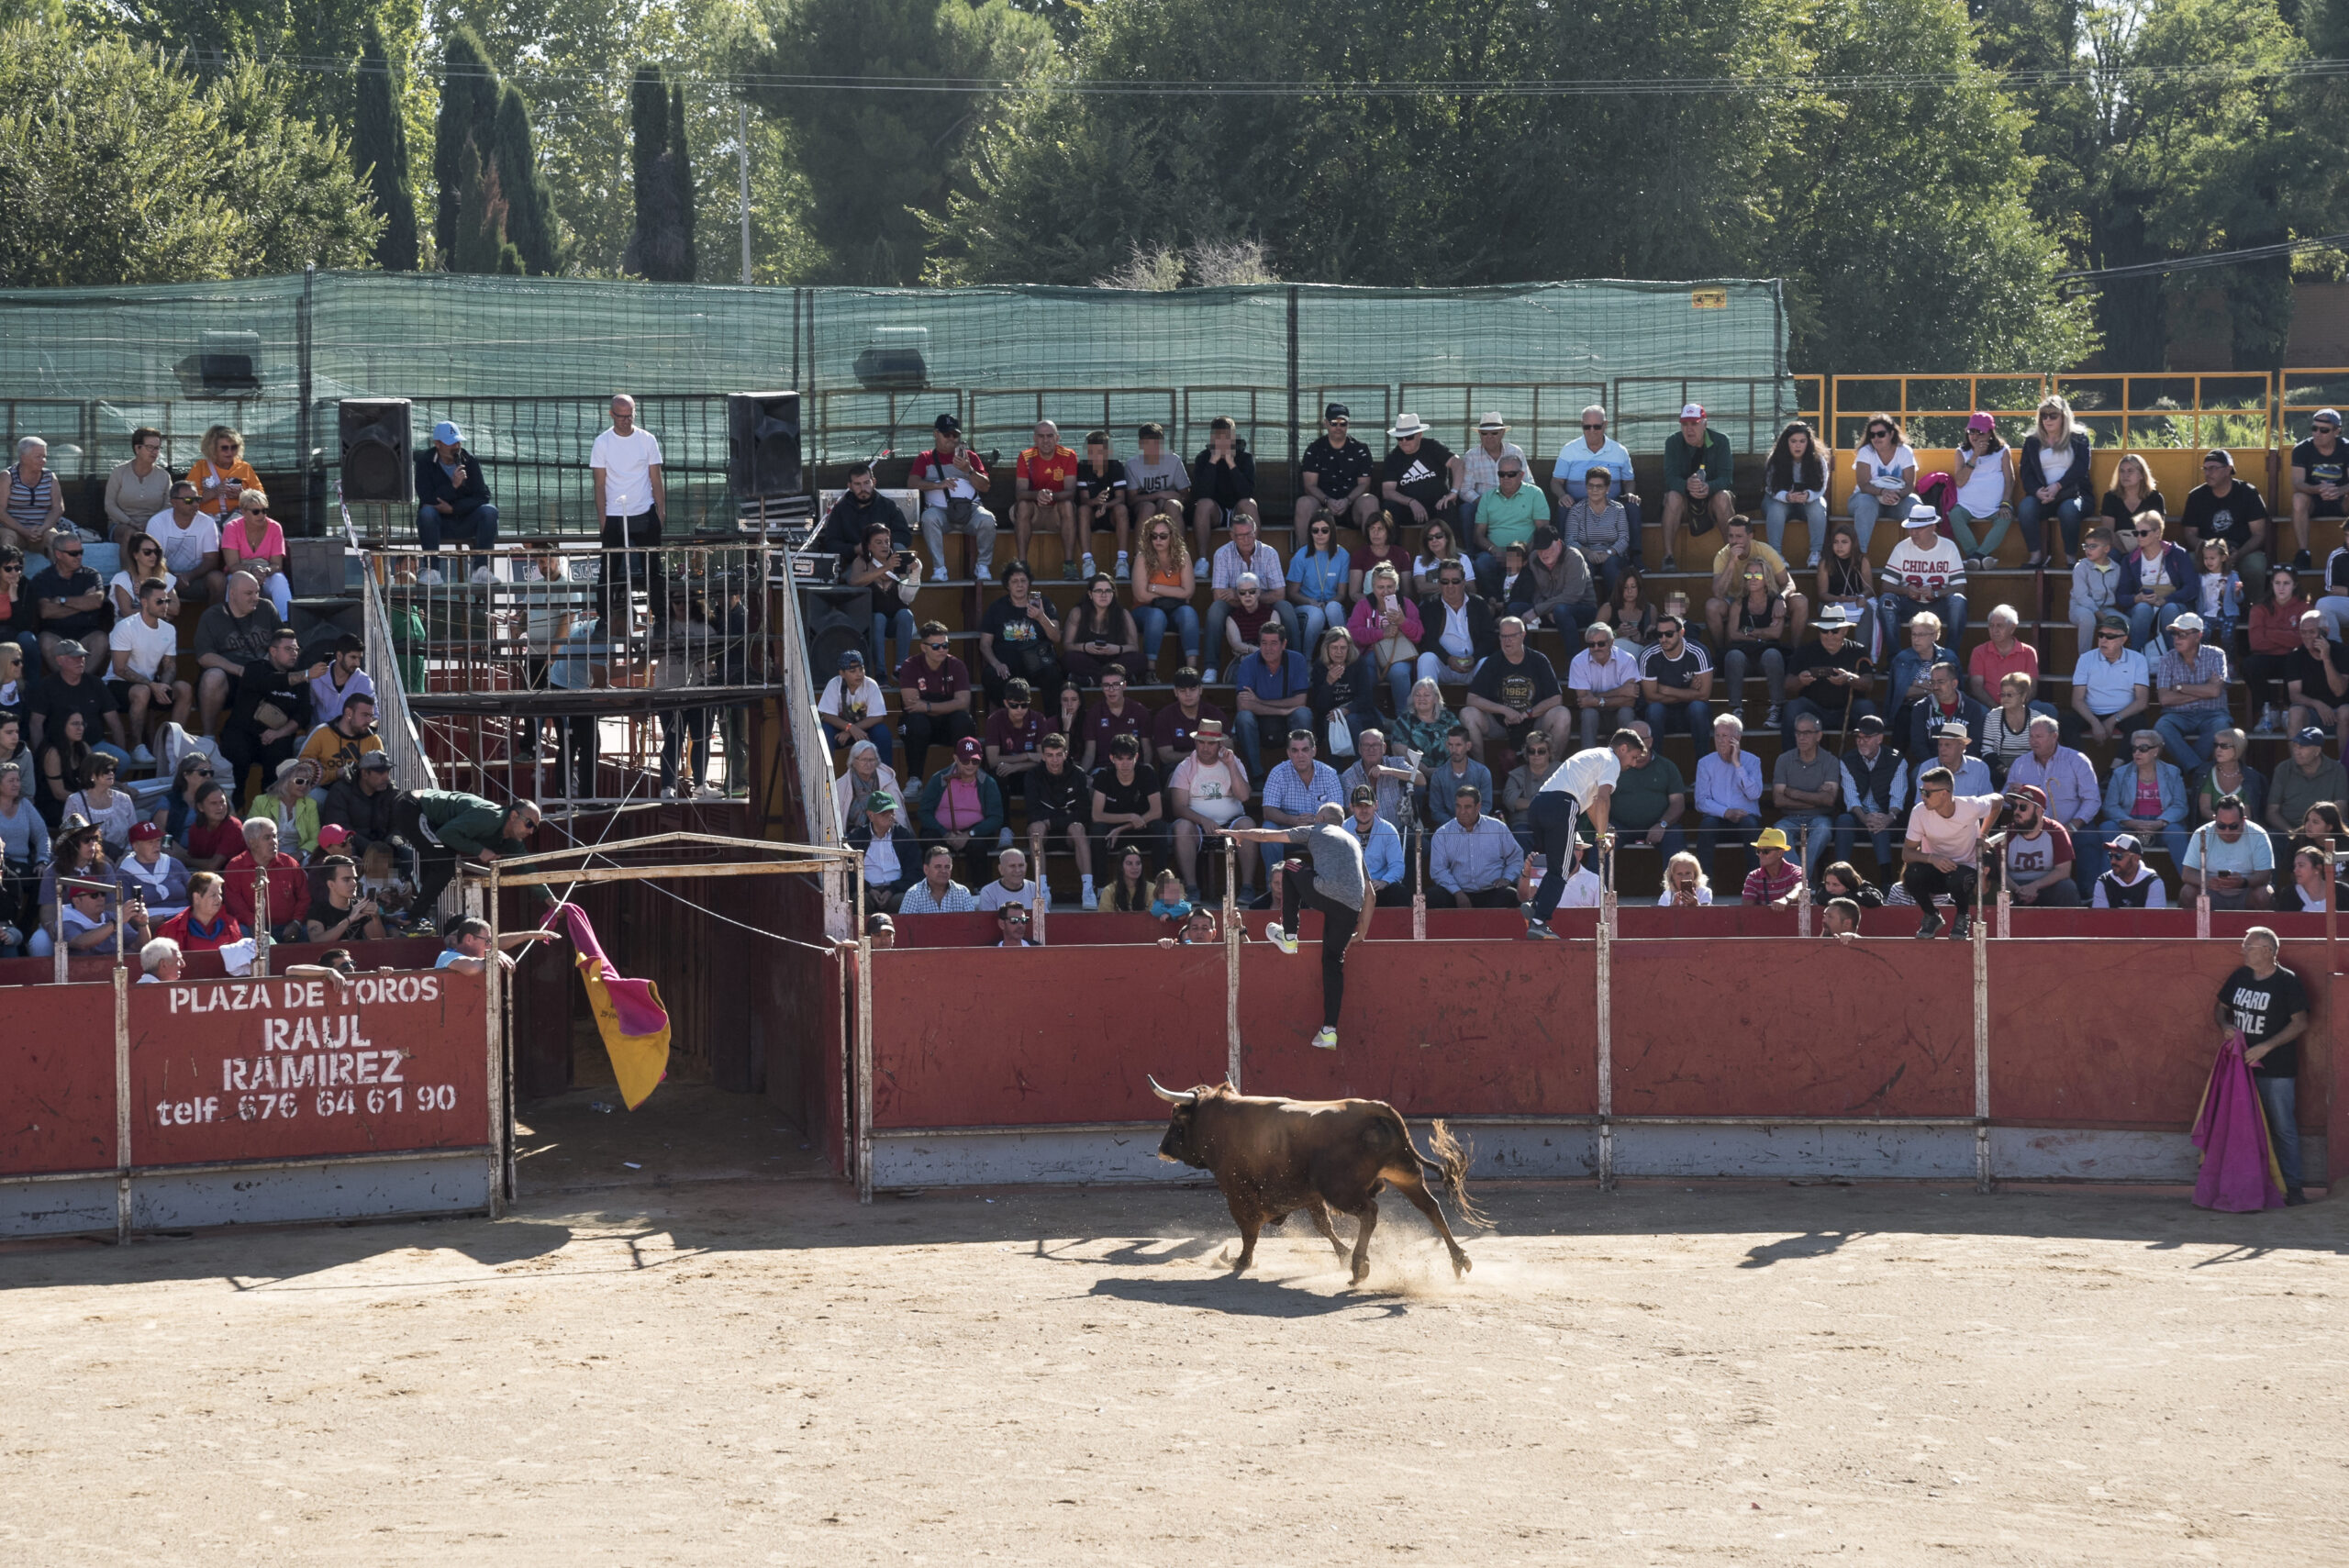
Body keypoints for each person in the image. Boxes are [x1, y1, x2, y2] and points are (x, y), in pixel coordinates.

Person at [1223, 803, 1371, 1050]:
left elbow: (1267, 836)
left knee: (1289, 865)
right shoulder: (1353, 842)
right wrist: (1362, 932)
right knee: (1333, 962)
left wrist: (1239, 834)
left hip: (1327, 892)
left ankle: (1289, 937)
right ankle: (1329, 1030)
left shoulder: (1316, 829)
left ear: (1321, 817)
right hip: (1351, 907)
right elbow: (1371, 893)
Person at [2216, 927, 2310, 1204]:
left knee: (2282, 1128)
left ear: (2267, 951)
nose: (2243, 950)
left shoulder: (2287, 981)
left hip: (2277, 1069)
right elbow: (2221, 1007)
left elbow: (2301, 1022)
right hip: (2240, 1068)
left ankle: (2293, 1189)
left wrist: (2266, 1046)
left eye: (2249, 946)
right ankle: (2251, 1186)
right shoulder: (2240, 976)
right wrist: (2225, 1025)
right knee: (2242, 1128)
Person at [1522, 728, 1639, 935]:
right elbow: (1603, 799)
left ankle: (1535, 905)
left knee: (1556, 866)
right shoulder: (1611, 761)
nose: (1633, 763)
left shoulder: (1592, 756)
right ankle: (1539, 922)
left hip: (1538, 805)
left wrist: (1602, 832)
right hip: (1562, 806)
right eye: (1633, 757)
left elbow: (1593, 804)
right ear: (1622, 748)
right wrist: (1602, 837)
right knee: (1563, 870)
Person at [1902, 765, 2004, 940]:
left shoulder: (1970, 806)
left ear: (1944, 793)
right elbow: (1907, 854)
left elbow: (1999, 800)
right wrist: (1932, 858)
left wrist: (1984, 834)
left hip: (1964, 870)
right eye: (1921, 791)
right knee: (1911, 874)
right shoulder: (1919, 811)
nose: (1922, 797)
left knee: (1957, 878)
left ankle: (1962, 916)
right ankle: (1931, 915)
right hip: (1934, 870)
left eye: (1927, 792)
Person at [589, 394, 664, 626]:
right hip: (614, 514)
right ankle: (603, 619)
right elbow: (599, 485)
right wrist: (603, 520)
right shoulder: (602, 442)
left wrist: (660, 513)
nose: (626, 420)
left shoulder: (647, 439)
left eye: (629, 416)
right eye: (621, 416)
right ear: (612, 415)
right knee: (608, 570)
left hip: (644, 511)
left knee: (653, 570)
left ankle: (660, 618)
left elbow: (656, 479)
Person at [2004, 716, 2102, 887]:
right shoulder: (2020, 764)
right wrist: (2011, 795)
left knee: (2088, 839)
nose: (2033, 741)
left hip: (2072, 826)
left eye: (2039, 737)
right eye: (2031, 736)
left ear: (2054, 736)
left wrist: (2072, 827)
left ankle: (2090, 897)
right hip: (2032, 828)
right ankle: (2019, 891)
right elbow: (2004, 799)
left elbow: (2092, 799)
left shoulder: (2077, 760)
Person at [1168, 718, 1257, 901]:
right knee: (1181, 826)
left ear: (1220, 744)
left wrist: (1231, 765)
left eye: (1211, 743)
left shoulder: (1233, 762)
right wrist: (1203, 820)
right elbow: (1178, 807)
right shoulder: (1185, 766)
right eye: (1201, 742)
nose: (1205, 748)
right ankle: (1191, 888)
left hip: (1232, 822)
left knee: (1249, 825)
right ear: (1195, 742)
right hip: (1198, 826)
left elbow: (1244, 796)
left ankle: (1247, 887)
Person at [1202, 512, 1297, 678]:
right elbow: (1218, 595)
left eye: (1249, 534)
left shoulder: (1270, 553)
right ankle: (1211, 668)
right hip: (1234, 607)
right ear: (1232, 536)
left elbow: (1280, 594)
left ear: (1255, 531)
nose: (1246, 539)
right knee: (1215, 609)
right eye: (1240, 536)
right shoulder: (1222, 554)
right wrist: (1247, 597)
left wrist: (1247, 596)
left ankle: (1296, 662)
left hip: (1263, 604)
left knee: (1286, 608)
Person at [192, 570, 282, 737]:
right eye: (248, 593)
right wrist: (239, 670)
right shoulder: (212, 616)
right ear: (232, 594)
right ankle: (209, 736)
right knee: (212, 677)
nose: (255, 597)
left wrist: (269, 662)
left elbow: (282, 641)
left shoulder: (266, 608)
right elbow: (204, 656)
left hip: (263, 674)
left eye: (257, 592)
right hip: (231, 678)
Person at [909, 413, 996, 584]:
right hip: (940, 512)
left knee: (987, 519)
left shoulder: (970, 456)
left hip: (970, 509)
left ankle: (983, 566)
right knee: (928, 518)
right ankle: (939, 569)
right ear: (936, 434)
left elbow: (985, 486)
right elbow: (912, 483)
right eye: (946, 434)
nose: (951, 438)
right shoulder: (925, 457)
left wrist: (968, 470)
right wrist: (938, 485)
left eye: (955, 435)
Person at [106, 576, 188, 753]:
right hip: (117, 685)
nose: (165, 605)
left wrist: (163, 686)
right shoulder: (125, 627)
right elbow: (119, 669)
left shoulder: (169, 629)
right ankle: (137, 746)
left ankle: (173, 746)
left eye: (167, 600)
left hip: (151, 684)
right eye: (159, 601)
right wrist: (152, 686)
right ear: (144, 602)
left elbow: (170, 666)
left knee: (184, 689)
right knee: (142, 691)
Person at [413, 419, 500, 581]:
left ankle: (481, 569)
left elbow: (483, 496)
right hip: (439, 524)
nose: (456, 447)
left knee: (489, 511)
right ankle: (432, 569)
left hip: (466, 520)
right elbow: (427, 498)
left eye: (458, 442)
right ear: (438, 444)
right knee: (427, 513)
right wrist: (453, 486)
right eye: (451, 443)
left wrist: (454, 509)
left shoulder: (469, 460)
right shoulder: (425, 462)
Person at [1706, 512, 1806, 652]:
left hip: (1767, 598)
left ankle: (1795, 653)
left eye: (1739, 536)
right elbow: (1718, 593)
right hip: (1737, 599)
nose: (1734, 541)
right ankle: (1721, 654)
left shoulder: (1765, 551)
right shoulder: (1722, 556)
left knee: (1800, 601)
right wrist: (1731, 562)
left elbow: (1789, 583)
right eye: (1731, 536)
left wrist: (1780, 598)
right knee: (1712, 606)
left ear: (1750, 536)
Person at [1780, 605, 1874, 750]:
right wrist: (1800, 681)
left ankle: (1870, 761)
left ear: (1845, 630)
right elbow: (1788, 685)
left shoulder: (1858, 651)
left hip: (1848, 710)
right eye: (1824, 630)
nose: (1829, 635)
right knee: (1793, 708)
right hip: (1814, 710)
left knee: (1867, 708)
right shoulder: (1806, 650)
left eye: (1834, 631)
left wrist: (1849, 678)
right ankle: (1791, 762)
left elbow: (1869, 683)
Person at [918, 736, 1008, 886]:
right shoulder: (939, 778)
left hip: (974, 832)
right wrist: (945, 833)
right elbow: (924, 812)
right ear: (955, 758)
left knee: (978, 846)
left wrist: (969, 834)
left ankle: (980, 890)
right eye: (965, 761)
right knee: (930, 843)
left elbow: (996, 817)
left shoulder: (987, 782)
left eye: (975, 761)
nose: (970, 765)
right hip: (941, 832)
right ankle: (929, 888)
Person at [1230, 619, 1312, 781]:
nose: (1268, 649)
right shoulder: (1248, 663)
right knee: (1243, 718)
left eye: (1274, 643)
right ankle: (1256, 774)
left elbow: (1301, 700)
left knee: (1303, 714)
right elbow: (1244, 704)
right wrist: (1282, 709)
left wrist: (1259, 701)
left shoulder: (1297, 660)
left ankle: (1298, 773)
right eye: (1264, 643)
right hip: (1259, 722)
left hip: (1287, 721)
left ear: (1284, 644)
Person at [2018, 395, 2093, 567]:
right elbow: (2026, 473)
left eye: (2053, 415)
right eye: (2044, 415)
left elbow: (2082, 468)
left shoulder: (2079, 437)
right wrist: (2037, 491)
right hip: (2043, 496)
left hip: (2074, 493)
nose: (2047, 419)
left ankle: (2071, 559)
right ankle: (2036, 557)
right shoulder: (2032, 441)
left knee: (2069, 510)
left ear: (2064, 417)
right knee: (2025, 508)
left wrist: (2058, 486)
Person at [2180, 449, 2271, 591]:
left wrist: (2238, 554)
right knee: (2188, 561)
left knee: (2255, 566)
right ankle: (2192, 607)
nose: (2208, 473)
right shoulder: (2196, 496)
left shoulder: (2248, 492)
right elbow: (2189, 534)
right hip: (2207, 552)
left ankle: (2254, 608)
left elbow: (2259, 534)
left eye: (2213, 468)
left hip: (2243, 552)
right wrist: (2208, 551)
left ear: (2228, 470)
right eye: (2205, 469)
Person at [2099, 728, 2191, 869]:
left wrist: (2159, 823)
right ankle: (2107, 882)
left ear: (2155, 751)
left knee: (2176, 832)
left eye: (2143, 748)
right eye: (2134, 748)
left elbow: (2180, 805)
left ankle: (2191, 882)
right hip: (2129, 829)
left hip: (2161, 828)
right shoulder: (2120, 773)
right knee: (2107, 827)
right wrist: (2131, 823)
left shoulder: (2172, 772)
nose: (2137, 753)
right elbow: (2110, 806)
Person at [1717, 559, 1792, 730]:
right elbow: (1732, 634)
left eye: (1758, 574)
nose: (1752, 578)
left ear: (1766, 579)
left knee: (1773, 655)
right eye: (1748, 574)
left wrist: (1748, 631)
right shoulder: (1738, 603)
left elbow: (1776, 633)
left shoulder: (1776, 603)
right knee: (1733, 656)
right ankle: (1736, 710)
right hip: (1744, 657)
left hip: (1767, 657)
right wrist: (1761, 635)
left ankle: (1776, 708)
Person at [1879, 501, 1968, 645]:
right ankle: (1893, 660)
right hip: (1909, 604)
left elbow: (1960, 587)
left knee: (1958, 601)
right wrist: (1905, 590)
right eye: (1911, 528)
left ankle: (1951, 658)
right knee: (1886, 601)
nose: (1913, 533)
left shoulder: (1948, 547)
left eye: (1918, 528)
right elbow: (1885, 587)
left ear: (1933, 527)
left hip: (1939, 604)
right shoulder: (1902, 547)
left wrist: (1936, 593)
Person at [1657, 404, 1734, 571]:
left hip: (1712, 500)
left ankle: (1734, 554)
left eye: (1694, 424)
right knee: (1672, 497)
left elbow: (1727, 479)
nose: (1689, 429)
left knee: (1723, 496)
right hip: (1685, 501)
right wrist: (1687, 485)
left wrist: (1709, 487)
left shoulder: (1721, 441)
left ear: (1705, 424)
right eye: (1685, 424)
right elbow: (1670, 479)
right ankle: (1668, 556)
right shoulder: (1673, 442)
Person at [895, 620, 977, 776]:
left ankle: (966, 775)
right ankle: (915, 779)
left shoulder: (957, 665)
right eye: (936, 646)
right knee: (917, 723)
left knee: (964, 721)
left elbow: (964, 703)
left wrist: (927, 707)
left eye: (945, 645)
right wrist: (949, 706)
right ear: (923, 647)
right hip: (920, 727)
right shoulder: (910, 665)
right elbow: (911, 705)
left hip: (947, 726)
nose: (942, 650)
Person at [2151, 612, 2229, 773]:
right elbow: (2164, 699)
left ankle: (2190, 769)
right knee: (2162, 726)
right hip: (2178, 716)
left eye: (2183, 634)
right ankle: (2198, 770)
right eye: (2174, 633)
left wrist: (2180, 688)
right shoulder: (2167, 659)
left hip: (2212, 714)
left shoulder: (2216, 654)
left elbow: (2215, 691)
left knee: (2221, 725)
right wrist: (2204, 690)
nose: (2177, 638)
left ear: (2198, 635)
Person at [974, 561, 1061, 706]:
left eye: (1023, 581)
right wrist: (996, 664)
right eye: (1014, 581)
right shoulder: (997, 608)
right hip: (1007, 664)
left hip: (1037, 662)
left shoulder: (1044, 604)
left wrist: (1041, 617)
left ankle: (1051, 723)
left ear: (1029, 583)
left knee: (1053, 675)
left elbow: (1056, 637)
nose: (1019, 585)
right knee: (991, 676)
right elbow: (985, 644)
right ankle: (1008, 719)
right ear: (1007, 585)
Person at [845, 520, 922, 680]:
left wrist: (914, 573)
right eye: (878, 542)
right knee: (878, 618)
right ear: (869, 546)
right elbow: (854, 581)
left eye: (887, 541)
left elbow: (907, 597)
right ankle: (880, 672)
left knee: (906, 614)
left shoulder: (900, 562)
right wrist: (885, 567)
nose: (884, 546)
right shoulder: (861, 562)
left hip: (896, 623)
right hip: (872, 624)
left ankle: (901, 667)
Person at [1426, 784, 1525, 908]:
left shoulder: (1497, 827)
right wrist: (1457, 893)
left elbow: (1515, 858)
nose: (1462, 812)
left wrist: (1507, 878)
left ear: (1478, 807)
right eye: (1458, 806)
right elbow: (1438, 870)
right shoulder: (1442, 833)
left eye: (1467, 807)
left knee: (1511, 895)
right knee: (1433, 896)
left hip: (1491, 892)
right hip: (1456, 892)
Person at [1834, 713, 1909, 868]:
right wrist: (1864, 818)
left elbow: (1897, 798)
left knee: (1879, 823)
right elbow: (1851, 797)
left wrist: (1888, 817)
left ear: (1879, 738)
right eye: (1858, 738)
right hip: (1858, 816)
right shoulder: (1847, 760)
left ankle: (1886, 878)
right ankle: (1839, 872)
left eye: (1866, 738)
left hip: (1887, 817)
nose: (1861, 742)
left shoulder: (1897, 759)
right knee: (1843, 820)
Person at [1770, 714, 1840, 881]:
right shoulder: (1784, 760)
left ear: (1819, 735)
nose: (1801, 737)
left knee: (1823, 830)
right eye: (1798, 733)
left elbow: (1829, 800)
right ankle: (1802, 879)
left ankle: (1797, 880)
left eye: (1807, 733)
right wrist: (1816, 798)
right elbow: (1778, 800)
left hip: (1820, 818)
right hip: (1789, 819)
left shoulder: (1830, 761)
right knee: (1779, 832)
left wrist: (1794, 793)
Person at [2265, 725, 2347, 863]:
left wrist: (2320, 828)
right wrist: (2292, 832)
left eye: (2302, 747)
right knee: (2270, 837)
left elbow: (2342, 807)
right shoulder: (2283, 769)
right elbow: (2272, 812)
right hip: (2289, 831)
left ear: (2317, 750)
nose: (2297, 751)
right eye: (2295, 746)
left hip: (2325, 830)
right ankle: (2275, 883)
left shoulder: (2337, 770)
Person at [1694, 712, 1765, 873]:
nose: (1719, 740)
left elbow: (1754, 794)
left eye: (1724, 735)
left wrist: (1737, 765)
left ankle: (1754, 885)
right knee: (1706, 826)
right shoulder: (1705, 763)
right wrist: (1726, 812)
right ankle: (1704, 886)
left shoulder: (1752, 761)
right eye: (1717, 735)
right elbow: (1701, 801)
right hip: (1718, 819)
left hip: (1746, 819)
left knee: (1751, 826)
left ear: (1737, 738)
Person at [29, 533, 110, 675]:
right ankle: (64, 682)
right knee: (45, 642)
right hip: (56, 634)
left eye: (81, 552)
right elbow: (46, 611)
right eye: (74, 553)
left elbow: (96, 602)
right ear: (58, 554)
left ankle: (85, 680)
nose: (79, 557)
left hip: (87, 633)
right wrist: (84, 603)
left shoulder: (91, 575)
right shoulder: (42, 578)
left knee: (101, 640)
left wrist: (62, 601)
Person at [2067, 616, 2153, 749]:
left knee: (2139, 724)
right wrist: (2095, 723)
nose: (2103, 640)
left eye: (2110, 637)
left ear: (2123, 639)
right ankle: (2080, 765)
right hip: (2091, 713)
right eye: (2101, 635)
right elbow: (2077, 700)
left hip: (2123, 714)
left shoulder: (2138, 660)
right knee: (2064, 723)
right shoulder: (2085, 659)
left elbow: (2142, 702)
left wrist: (2112, 721)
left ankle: (2117, 767)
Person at [1608, 719, 1687, 860]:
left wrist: (1662, 824)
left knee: (1676, 838)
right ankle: (1594, 883)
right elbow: (1598, 798)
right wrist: (1605, 825)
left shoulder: (1667, 767)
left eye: (1639, 739)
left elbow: (1678, 803)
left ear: (1650, 742)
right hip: (1620, 827)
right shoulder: (1612, 767)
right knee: (1602, 839)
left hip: (1659, 825)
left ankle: (1682, 882)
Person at [1989, 783, 2080, 906]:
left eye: (2023, 807)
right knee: (1995, 890)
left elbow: (2064, 871)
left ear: (2039, 810)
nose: (2016, 811)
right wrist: (2018, 890)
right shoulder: (2006, 833)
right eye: (2014, 806)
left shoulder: (2056, 831)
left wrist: (2034, 886)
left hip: (2046, 886)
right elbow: (2001, 871)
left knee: (2067, 888)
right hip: (2014, 887)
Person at [1296, 404, 1380, 535]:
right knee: (1304, 503)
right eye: (1334, 423)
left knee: (1370, 500)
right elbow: (1309, 486)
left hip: (1352, 506)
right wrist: (1327, 500)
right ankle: (1304, 554)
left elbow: (1365, 485)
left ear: (1348, 424)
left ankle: (1371, 553)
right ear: (1326, 423)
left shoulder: (1360, 449)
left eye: (1343, 423)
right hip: (1322, 508)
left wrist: (1347, 500)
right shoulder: (1314, 449)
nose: (1338, 427)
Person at [1417, 560, 1497, 695]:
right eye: (1444, 581)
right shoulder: (1429, 606)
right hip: (1444, 666)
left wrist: (1475, 658)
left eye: (1455, 581)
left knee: (1485, 662)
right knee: (1426, 659)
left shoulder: (1478, 604)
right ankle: (1426, 712)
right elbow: (1428, 641)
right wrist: (1448, 659)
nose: (1450, 586)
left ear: (1464, 582)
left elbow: (1489, 638)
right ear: (1439, 583)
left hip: (1472, 665)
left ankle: (1483, 713)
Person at [2119, 511, 2197, 652]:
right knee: (2142, 609)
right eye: (2136, 533)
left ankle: (2176, 660)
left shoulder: (2178, 554)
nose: (2139, 537)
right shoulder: (2130, 560)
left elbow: (2192, 588)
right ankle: (2137, 659)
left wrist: (2165, 600)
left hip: (2174, 603)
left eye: (2143, 533)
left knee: (2170, 609)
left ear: (2157, 532)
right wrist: (2137, 598)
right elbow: (2121, 596)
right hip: (2143, 607)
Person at [1012, 420, 1083, 576]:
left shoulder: (1069, 455)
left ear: (1057, 438)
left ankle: (1069, 564)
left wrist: (1050, 495)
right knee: (1022, 505)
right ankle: (1022, 565)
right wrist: (1037, 495)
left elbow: (1071, 492)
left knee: (1067, 505)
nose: (1045, 440)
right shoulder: (1025, 456)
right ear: (1035, 439)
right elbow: (1020, 493)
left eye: (1050, 436)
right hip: (1034, 512)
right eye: (1041, 436)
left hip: (1056, 514)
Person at [1130, 514, 1200, 671]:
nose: (1158, 540)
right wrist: (1176, 593)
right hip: (1144, 610)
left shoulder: (1183, 556)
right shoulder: (1142, 557)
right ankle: (1150, 669)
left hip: (1175, 610)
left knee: (1188, 614)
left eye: (1163, 536)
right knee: (1157, 616)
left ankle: (1192, 669)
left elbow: (1189, 592)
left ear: (1172, 536)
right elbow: (1141, 595)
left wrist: (1155, 587)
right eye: (1153, 536)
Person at [1088, 732, 1167, 870]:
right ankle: (1099, 886)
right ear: (1112, 758)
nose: (1125, 764)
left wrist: (1124, 827)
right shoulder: (1103, 775)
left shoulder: (1147, 773)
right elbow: (1096, 816)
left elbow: (1157, 812)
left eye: (1129, 759)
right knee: (1097, 830)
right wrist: (1130, 817)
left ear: (1136, 757)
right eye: (1120, 759)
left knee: (1159, 827)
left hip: (1140, 829)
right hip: (1112, 835)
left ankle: (1159, 882)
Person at [2245, 566, 2310, 733]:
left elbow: (2304, 640)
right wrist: (2290, 636)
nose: (2281, 588)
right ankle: (2269, 711)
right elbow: (2256, 643)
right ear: (2272, 584)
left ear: (2295, 585)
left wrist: (2269, 632)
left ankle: (2290, 710)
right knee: (2249, 665)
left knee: (2298, 658)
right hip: (2267, 658)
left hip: (2293, 659)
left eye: (2286, 583)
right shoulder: (2259, 608)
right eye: (2277, 583)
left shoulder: (2305, 608)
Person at [221, 817, 308, 940]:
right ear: (252, 842)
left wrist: (296, 922)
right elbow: (234, 903)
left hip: (289, 927)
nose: (274, 842)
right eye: (267, 838)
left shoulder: (289, 862)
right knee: (241, 931)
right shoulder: (235, 866)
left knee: (309, 931)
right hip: (252, 928)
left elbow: (304, 897)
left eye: (275, 836)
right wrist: (252, 922)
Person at [2182, 795, 2275, 910]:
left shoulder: (2258, 834)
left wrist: (2244, 882)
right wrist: (2207, 882)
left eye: (2233, 826)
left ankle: (2259, 928)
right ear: (2215, 819)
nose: (2227, 831)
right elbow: (2187, 874)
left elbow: (2265, 875)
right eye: (2221, 825)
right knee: (2187, 892)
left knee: (2264, 894)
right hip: (2211, 893)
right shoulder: (2201, 833)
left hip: (2246, 892)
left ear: (2243, 821)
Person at [1946, 413, 2015, 565]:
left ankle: (1976, 557)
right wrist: (1974, 457)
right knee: (1954, 515)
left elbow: (2010, 480)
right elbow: (1960, 482)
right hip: (1966, 506)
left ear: (1991, 433)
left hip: (1996, 506)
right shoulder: (1961, 452)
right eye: (1972, 432)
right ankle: (1979, 556)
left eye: (1980, 432)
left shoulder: (2002, 451)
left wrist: (2005, 502)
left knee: (2006, 516)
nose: (1975, 437)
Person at [1188, 415, 1259, 563]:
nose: (1223, 441)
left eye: (1227, 437)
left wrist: (1231, 464)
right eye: (1219, 437)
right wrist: (1213, 462)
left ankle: (1256, 559)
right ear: (1212, 438)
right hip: (1216, 512)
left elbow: (1246, 492)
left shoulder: (1245, 458)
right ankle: (1202, 560)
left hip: (1238, 511)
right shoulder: (1203, 458)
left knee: (1249, 504)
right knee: (1203, 504)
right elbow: (1201, 493)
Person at [1559, 621, 1639, 753]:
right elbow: (1584, 701)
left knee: (1626, 712)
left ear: (1611, 642)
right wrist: (1620, 692)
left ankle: (1628, 760)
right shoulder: (1579, 661)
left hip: (1618, 714)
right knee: (1589, 714)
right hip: (1594, 716)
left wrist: (1597, 700)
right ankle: (1587, 761)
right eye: (1591, 644)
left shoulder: (1627, 659)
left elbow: (1630, 701)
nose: (1596, 648)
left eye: (1601, 643)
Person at [1380, 413, 1463, 539]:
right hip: (1409, 510)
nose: (1403, 441)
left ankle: (1453, 553)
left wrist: (1454, 492)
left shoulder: (1432, 447)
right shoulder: (1393, 458)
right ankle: (1394, 552)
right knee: (1389, 508)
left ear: (1419, 435)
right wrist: (1411, 502)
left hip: (1437, 506)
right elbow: (1387, 491)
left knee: (1448, 506)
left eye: (1408, 437)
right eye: (1399, 438)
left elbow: (1457, 462)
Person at [814, 460, 913, 563]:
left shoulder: (889, 506)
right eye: (857, 484)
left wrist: (880, 544)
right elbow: (831, 543)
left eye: (866, 483)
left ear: (873, 482)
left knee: (899, 548)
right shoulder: (840, 510)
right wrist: (855, 549)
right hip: (855, 563)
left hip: (886, 561)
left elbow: (905, 537)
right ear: (850, 486)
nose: (863, 489)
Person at [1123, 423, 1191, 571]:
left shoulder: (1173, 460)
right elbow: (1131, 500)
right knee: (1148, 507)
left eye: (1157, 443)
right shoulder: (1132, 464)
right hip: (1145, 508)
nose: (1153, 448)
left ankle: (1179, 557)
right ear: (1141, 444)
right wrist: (1159, 495)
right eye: (1148, 443)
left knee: (1172, 505)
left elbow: (1185, 494)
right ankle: (1138, 559)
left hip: (1169, 506)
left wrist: (1164, 500)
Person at [1848, 415, 1918, 557]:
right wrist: (1883, 492)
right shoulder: (1865, 451)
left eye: (1881, 434)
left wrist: (1895, 495)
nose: (1876, 438)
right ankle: (1859, 557)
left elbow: (1910, 485)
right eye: (1872, 435)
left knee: (1915, 505)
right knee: (1866, 502)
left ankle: (1918, 556)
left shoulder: (1904, 451)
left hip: (1897, 500)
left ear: (1891, 434)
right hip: (1867, 500)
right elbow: (1863, 485)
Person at [1308, 628, 1380, 764]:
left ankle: (1363, 769)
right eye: (1334, 648)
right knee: (1332, 720)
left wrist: (1346, 710)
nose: (1339, 652)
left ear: (1349, 648)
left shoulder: (1357, 663)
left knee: (1351, 719)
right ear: (1327, 648)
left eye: (1343, 648)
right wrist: (1329, 683)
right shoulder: (1320, 666)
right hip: (1330, 716)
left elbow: (1366, 698)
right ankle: (1335, 775)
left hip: (1358, 713)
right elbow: (1319, 705)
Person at [1762, 419, 1830, 564]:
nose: (1798, 445)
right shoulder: (1775, 459)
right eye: (1793, 441)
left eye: (1802, 441)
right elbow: (1769, 487)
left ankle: (1816, 553)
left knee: (1818, 507)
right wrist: (1786, 496)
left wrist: (1808, 495)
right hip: (1778, 499)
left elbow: (1822, 488)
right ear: (1786, 442)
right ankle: (1776, 555)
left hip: (1807, 501)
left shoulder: (1818, 460)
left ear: (1808, 442)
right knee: (1776, 509)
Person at [1638, 612, 1712, 743]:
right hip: (1663, 713)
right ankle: (1656, 762)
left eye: (1669, 634)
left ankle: (1702, 762)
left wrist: (1667, 690)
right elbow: (1650, 698)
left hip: (1690, 712)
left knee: (1698, 708)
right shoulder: (1648, 655)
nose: (1663, 639)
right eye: (1659, 634)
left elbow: (1704, 695)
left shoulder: (1698, 652)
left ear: (1681, 633)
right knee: (1654, 710)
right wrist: (1690, 692)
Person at [1062, 573, 1144, 687]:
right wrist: (1085, 647)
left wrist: (1117, 649)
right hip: (1088, 658)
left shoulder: (1123, 614)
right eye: (1098, 591)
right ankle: (1119, 680)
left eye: (1108, 591)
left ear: (1113, 594)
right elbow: (1067, 645)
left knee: (1139, 659)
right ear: (1090, 594)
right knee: (1069, 658)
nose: (1103, 595)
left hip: (1115, 658)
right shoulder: (1078, 612)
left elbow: (1134, 647)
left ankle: (1092, 681)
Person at [150, 481, 225, 605]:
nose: (195, 504)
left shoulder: (208, 523)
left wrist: (188, 576)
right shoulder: (157, 522)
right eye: (189, 500)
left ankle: (214, 621)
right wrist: (172, 578)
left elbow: (211, 560)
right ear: (173, 502)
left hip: (195, 579)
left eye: (197, 499)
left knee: (218, 580)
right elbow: (152, 559)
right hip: (163, 578)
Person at [2285, 610, 2349, 752]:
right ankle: (2297, 768)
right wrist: (2317, 704)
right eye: (2303, 632)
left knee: (2346, 712)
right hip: (2312, 713)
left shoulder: (2342, 652)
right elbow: (2294, 695)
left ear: (2325, 631)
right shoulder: (2296, 657)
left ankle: (2346, 769)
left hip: (2339, 713)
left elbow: (2339, 691)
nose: (2307, 637)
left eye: (2312, 632)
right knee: (2295, 712)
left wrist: (2326, 658)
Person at [1287, 514, 1353, 655]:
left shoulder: (1343, 555)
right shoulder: (1301, 555)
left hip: (1331, 603)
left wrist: (1327, 603)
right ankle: (1306, 661)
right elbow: (1292, 593)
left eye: (1324, 530)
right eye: (1315, 530)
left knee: (1333, 608)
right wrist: (1311, 602)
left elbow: (1342, 593)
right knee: (1317, 614)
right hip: (1306, 605)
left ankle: (1345, 658)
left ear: (1332, 531)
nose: (1319, 534)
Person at [819, 649, 895, 769]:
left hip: (864, 730)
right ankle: (824, 777)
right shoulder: (834, 684)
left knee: (883, 733)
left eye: (861, 669)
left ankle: (885, 778)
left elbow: (878, 716)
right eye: (853, 671)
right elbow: (827, 715)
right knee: (824, 732)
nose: (859, 674)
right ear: (842, 673)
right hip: (839, 731)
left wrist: (852, 730)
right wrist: (850, 728)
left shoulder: (871, 684)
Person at [846, 792, 918, 913]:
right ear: (870, 815)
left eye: (892, 812)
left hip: (897, 890)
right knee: (859, 899)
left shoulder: (904, 835)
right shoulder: (857, 837)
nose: (889, 816)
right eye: (884, 813)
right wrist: (867, 889)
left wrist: (892, 890)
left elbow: (915, 871)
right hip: (866, 889)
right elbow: (848, 873)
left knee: (903, 900)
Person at [1071, 431, 1131, 577]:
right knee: (1082, 511)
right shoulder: (1083, 468)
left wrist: (1104, 506)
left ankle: (1122, 561)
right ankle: (1087, 562)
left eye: (1099, 452)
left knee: (1122, 509)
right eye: (1091, 452)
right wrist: (1095, 502)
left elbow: (1121, 498)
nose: (1095, 456)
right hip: (1091, 515)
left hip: (1110, 514)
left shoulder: (1116, 466)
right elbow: (1084, 499)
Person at [1339, 728, 1416, 838]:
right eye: (1366, 745)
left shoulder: (1395, 763)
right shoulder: (1349, 775)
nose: (1371, 749)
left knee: (1424, 846)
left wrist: (1390, 771)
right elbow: (1351, 813)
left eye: (1376, 745)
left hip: (1398, 831)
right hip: (1366, 834)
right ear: (1360, 749)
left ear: (1384, 747)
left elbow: (1421, 779)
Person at [1416, 725, 1495, 830]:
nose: (1454, 749)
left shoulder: (1482, 773)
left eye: (1458, 745)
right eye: (1451, 745)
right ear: (1447, 745)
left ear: (1468, 746)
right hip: (1448, 828)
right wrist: (1456, 825)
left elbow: (1486, 805)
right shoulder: (1438, 776)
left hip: (1477, 826)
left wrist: (1470, 822)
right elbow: (1436, 810)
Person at [295, 692, 381, 788]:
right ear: (349, 713)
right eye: (365, 715)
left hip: (359, 794)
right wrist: (335, 774)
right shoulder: (322, 732)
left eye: (370, 716)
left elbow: (381, 774)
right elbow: (302, 766)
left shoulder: (373, 739)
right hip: (325, 789)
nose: (369, 721)